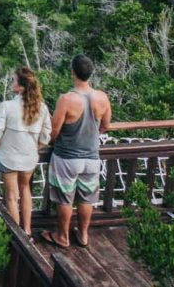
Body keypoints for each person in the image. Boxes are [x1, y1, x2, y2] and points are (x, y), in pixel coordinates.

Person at [41, 54, 111, 249]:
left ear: (72, 72)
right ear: (90, 74)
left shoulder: (66, 99)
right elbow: (105, 125)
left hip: (67, 157)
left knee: (65, 198)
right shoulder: (102, 97)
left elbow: (54, 131)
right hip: (92, 157)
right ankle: (83, 235)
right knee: (86, 197)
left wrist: (50, 143)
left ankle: (63, 236)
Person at [0, 66, 52, 234]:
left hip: (8, 156)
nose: (12, 82)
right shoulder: (42, 108)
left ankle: (17, 236)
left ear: (21, 86)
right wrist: (34, 148)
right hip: (29, 158)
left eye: (14, 80)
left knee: (11, 196)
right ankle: (27, 230)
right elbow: (46, 137)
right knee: (25, 190)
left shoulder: (7, 106)